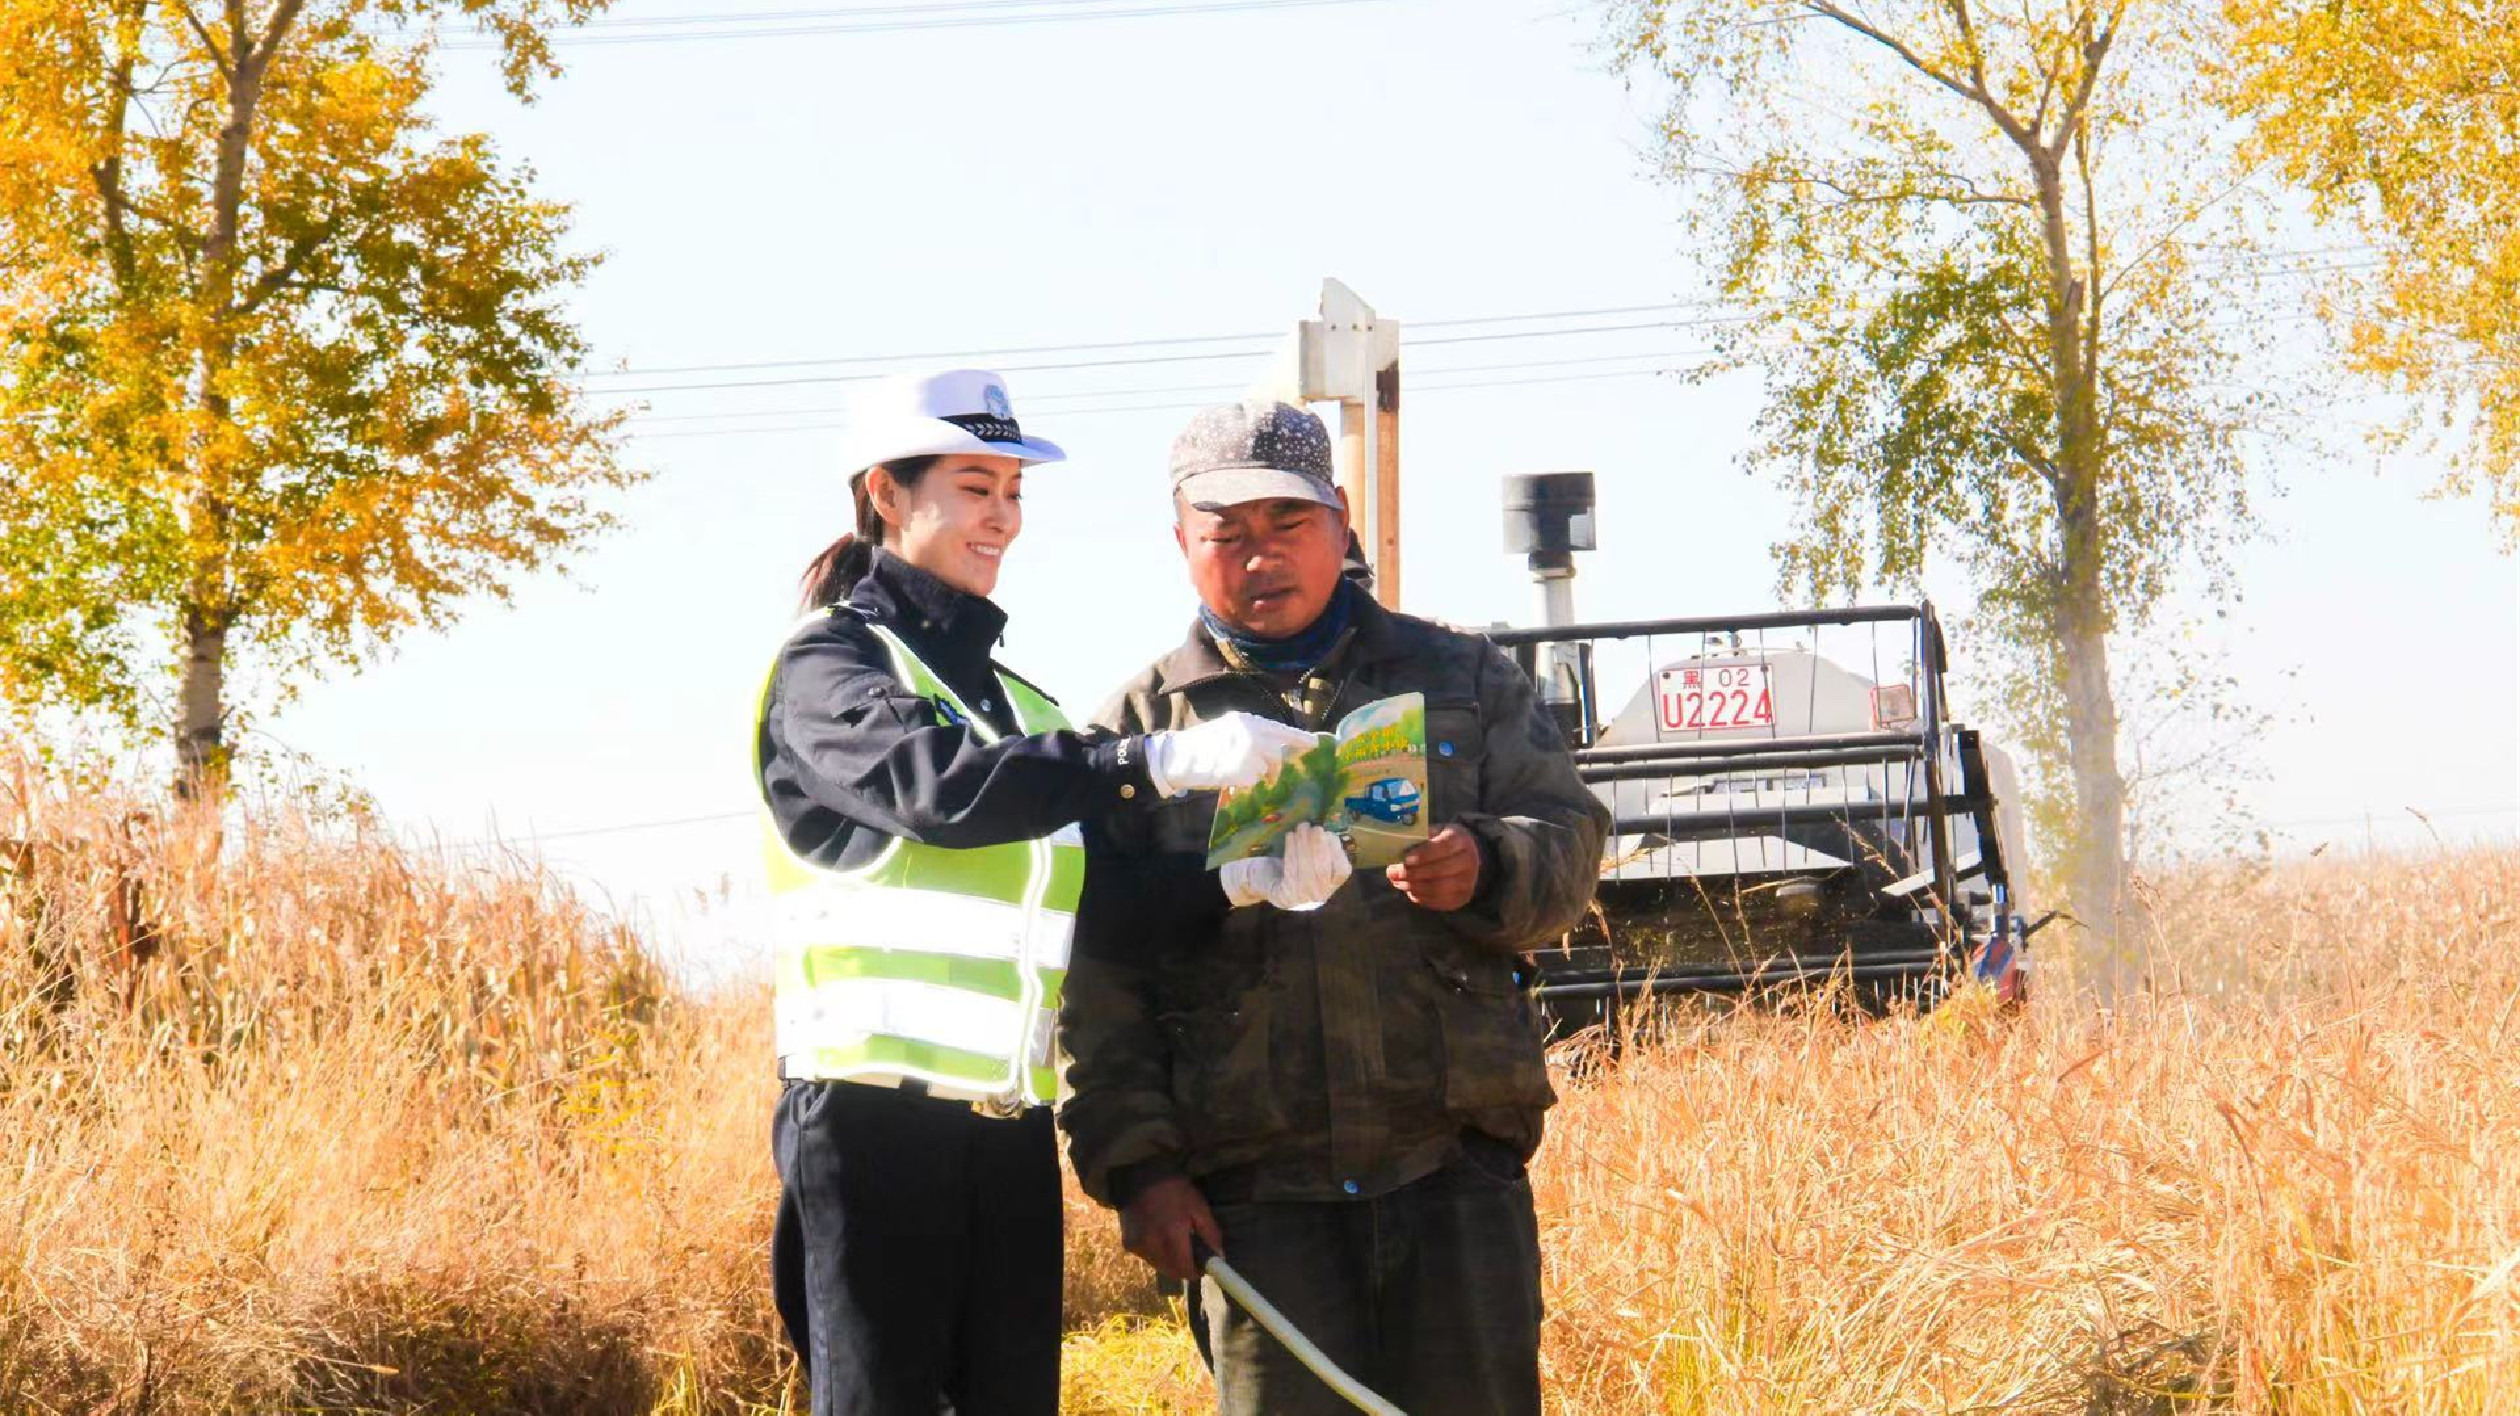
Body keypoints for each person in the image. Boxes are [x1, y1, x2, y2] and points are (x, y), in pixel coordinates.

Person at [754, 370, 1318, 1416]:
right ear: (885, 492)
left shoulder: (1019, 705)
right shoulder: (829, 668)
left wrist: (1240, 881)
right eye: (976, 487)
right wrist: (1148, 758)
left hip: (1008, 1139)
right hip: (869, 1133)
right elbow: (936, 792)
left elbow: (1098, 903)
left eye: (1013, 491)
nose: (1003, 519)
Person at [1060, 399, 1611, 1415]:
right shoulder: (1138, 736)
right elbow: (1094, 982)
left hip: (1453, 1174)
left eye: (1289, 526)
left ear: (1343, 521)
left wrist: (1485, 866)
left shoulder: (1463, 679)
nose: (1260, 558)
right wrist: (1139, 1170)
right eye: (1226, 535)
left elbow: (1571, 843)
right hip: (1255, 1207)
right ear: (1180, 541)